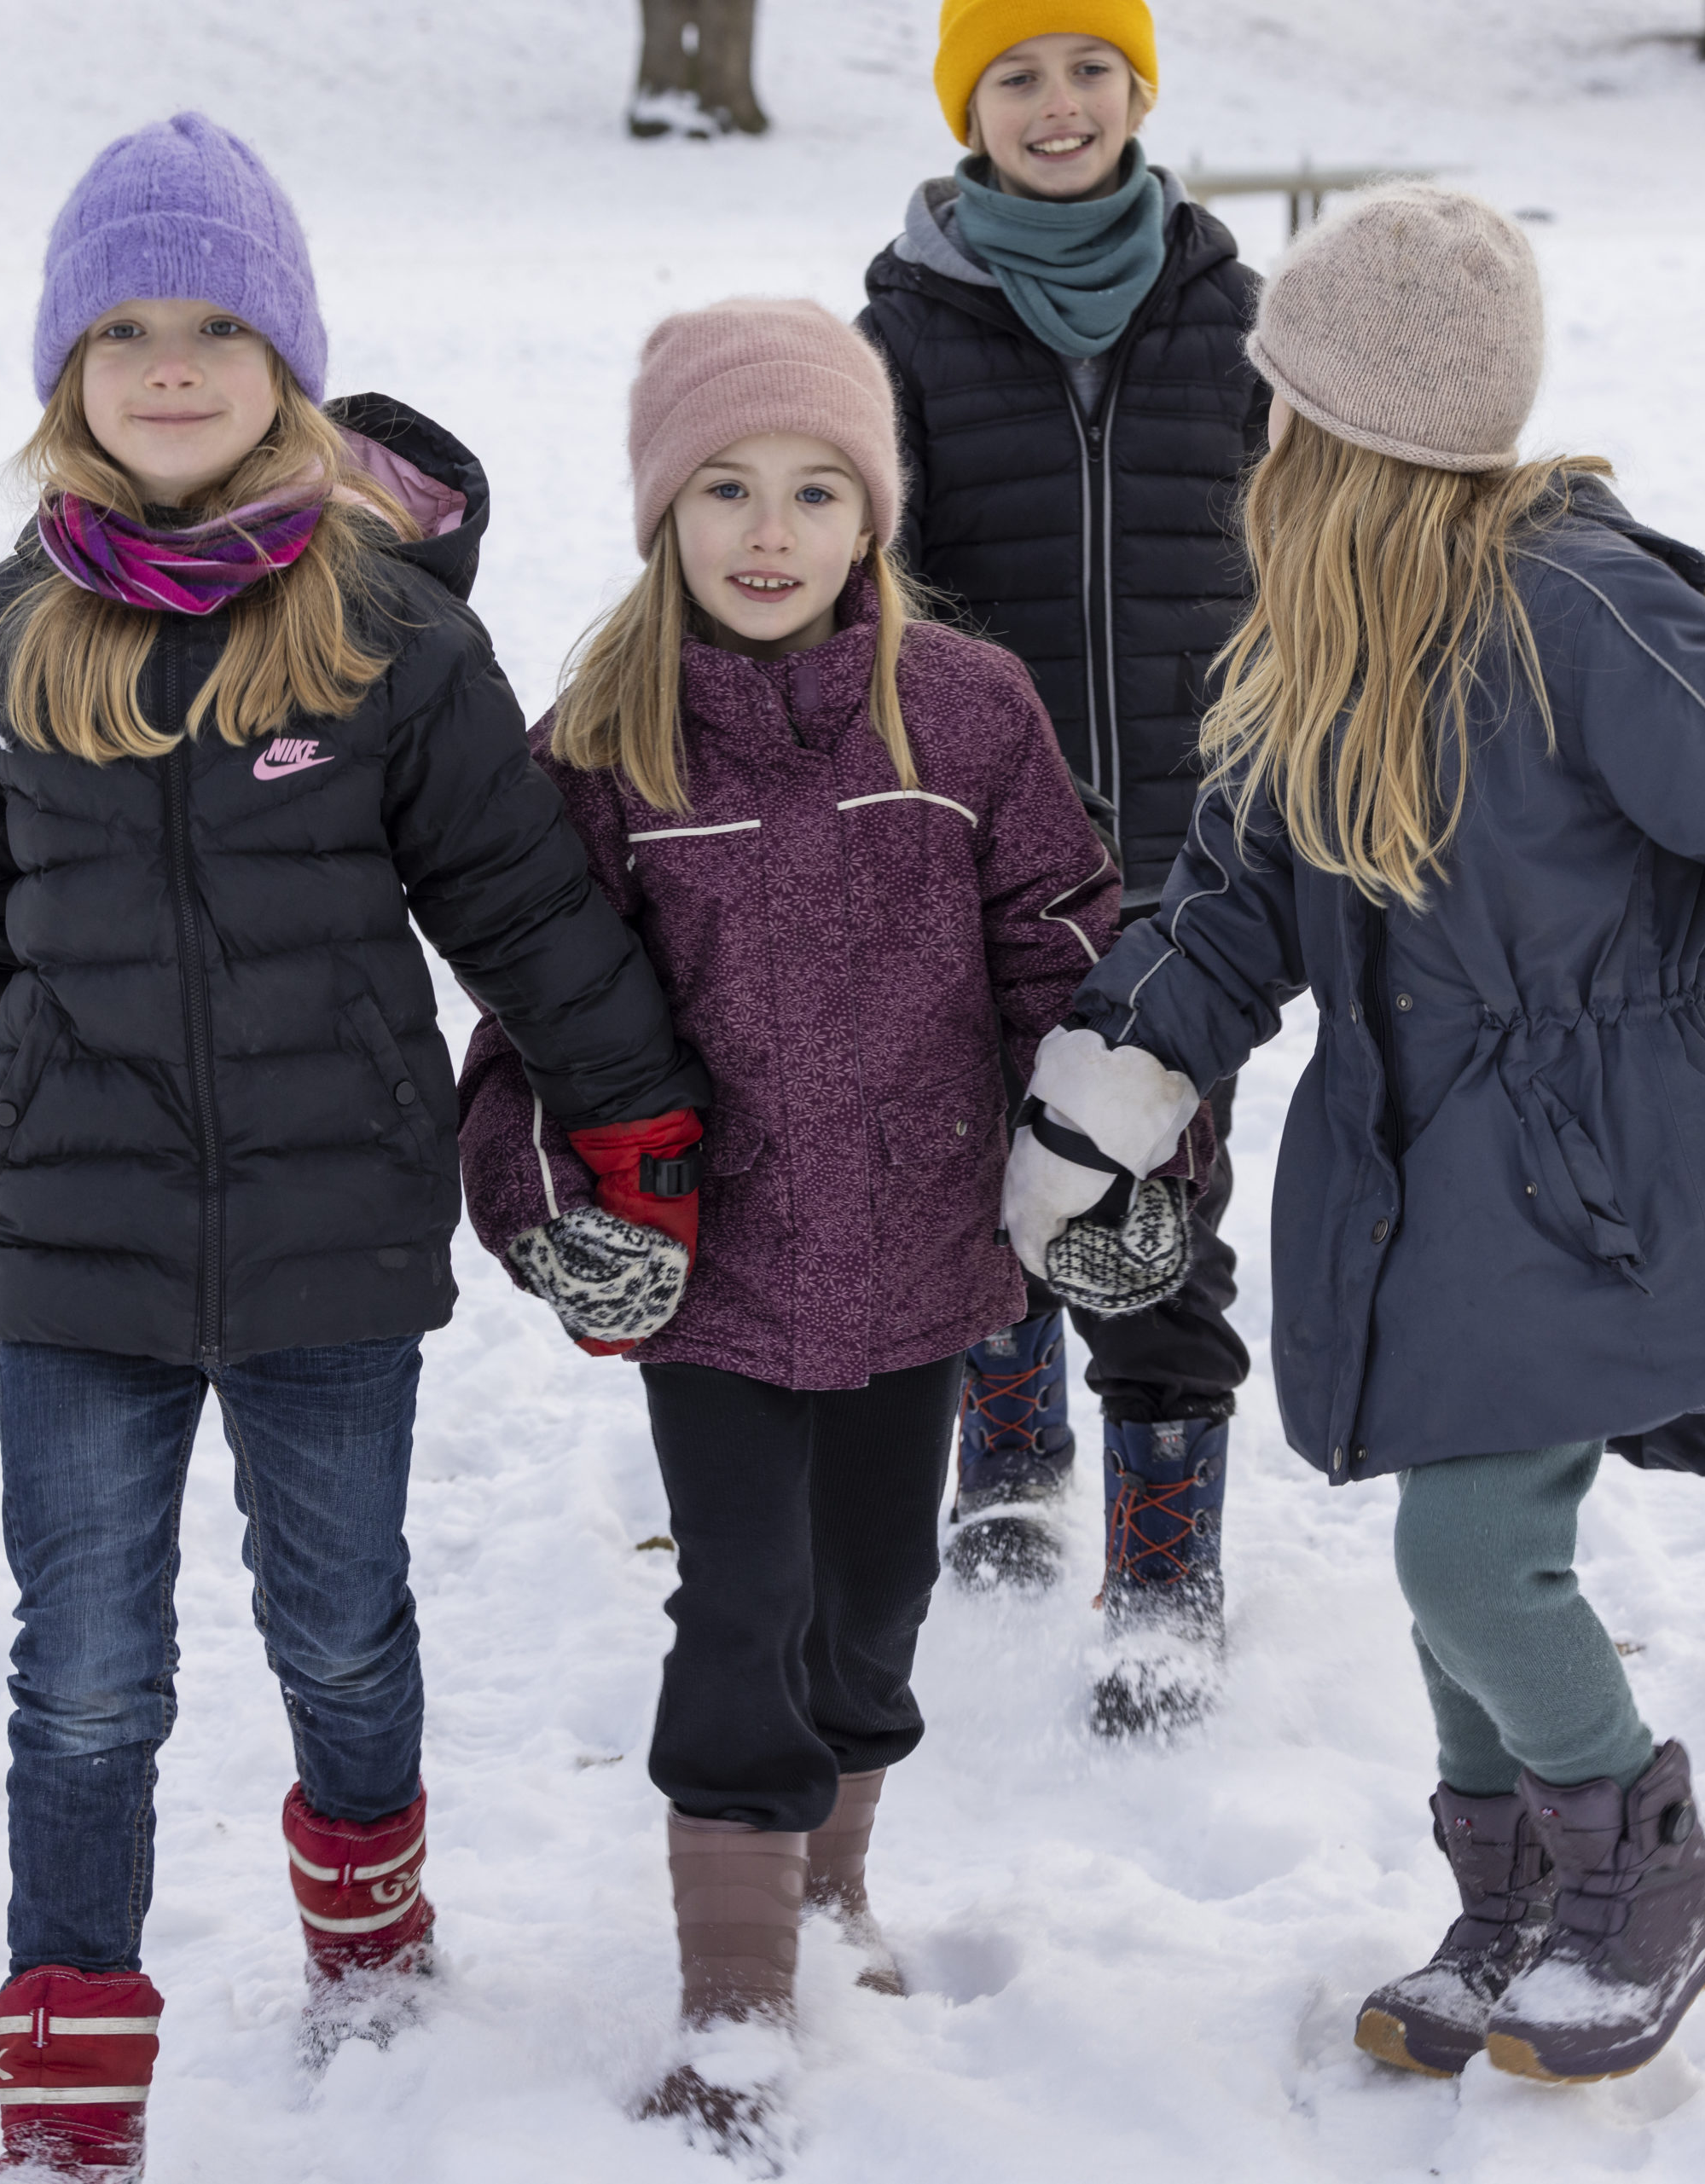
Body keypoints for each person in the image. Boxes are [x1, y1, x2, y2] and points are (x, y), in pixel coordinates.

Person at [996, 186, 1705, 2085]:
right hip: (1411, 1170)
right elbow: (1222, 912)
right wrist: (1106, 1098)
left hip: (1592, 1157)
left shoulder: (1574, 610)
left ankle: (1646, 1883)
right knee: (1448, 1540)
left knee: (1475, 1558)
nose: (1258, 446)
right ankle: (1516, 1900)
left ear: (1357, 439)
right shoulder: (1314, 648)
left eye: (1285, 411)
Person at [0, 113, 705, 2181]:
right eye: (123, 330)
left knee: (341, 1615)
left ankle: (368, 1904)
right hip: (83, 1250)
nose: (169, 367)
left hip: (333, 1233)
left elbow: (522, 909)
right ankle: (71, 2071)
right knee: (84, 1673)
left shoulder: (384, 640)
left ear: (286, 364)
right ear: (63, 377)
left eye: (214, 326)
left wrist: (627, 1119)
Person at [455, 298, 1194, 2158]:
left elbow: (1073, 951)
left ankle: (838, 1887)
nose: (767, 532)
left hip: (933, 1254)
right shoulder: (605, 737)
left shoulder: (964, 710)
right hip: (719, 1276)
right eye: (724, 489)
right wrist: (556, 1217)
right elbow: (535, 1019)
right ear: (661, 511)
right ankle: (732, 1997)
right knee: (742, 1606)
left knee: (873, 1600)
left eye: (811, 490)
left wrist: (1125, 1171)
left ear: (873, 515)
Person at [856, 0, 1268, 1732]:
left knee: (1166, 1179)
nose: (1058, 102)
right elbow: (866, 586)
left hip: (1197, 847)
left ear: (1140, 87)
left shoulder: (1243, 316)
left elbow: (1328, 545)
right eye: (1014, 73)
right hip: (984, 842)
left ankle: (1165, 1555)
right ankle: (1008, 1434)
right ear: (968, 106)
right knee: (984, 1149)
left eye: (1089, 65)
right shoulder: (904, 329)